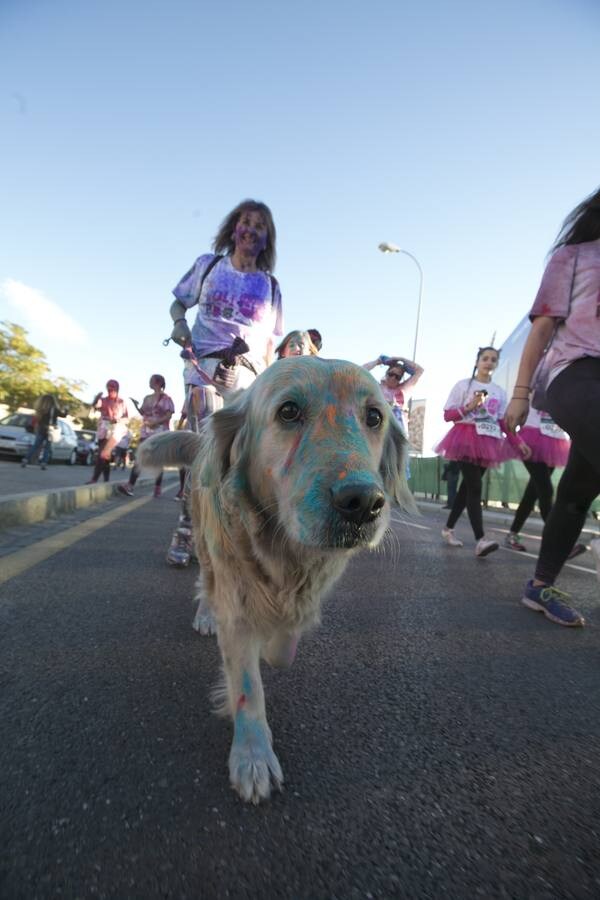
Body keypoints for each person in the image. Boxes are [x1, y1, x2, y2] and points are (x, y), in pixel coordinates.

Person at [166, 199, 283, 566]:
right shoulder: (208, 265)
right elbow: (178, 305)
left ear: (267, 239)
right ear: (233, 229)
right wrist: (179, 324)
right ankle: (187, 529)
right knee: (207, 452)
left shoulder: (271, 285)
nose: (251, 229)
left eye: (259, 226)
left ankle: (223, 532)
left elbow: (270, 344)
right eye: (245, 222)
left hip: (247, 379)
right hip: (203, 368)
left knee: (235, 462)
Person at [505, 186, 600, 626]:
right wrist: (520, 396)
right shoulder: (575, 256)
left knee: (577, 494)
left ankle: (540, 586)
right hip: (574, 373)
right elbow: (541, 332)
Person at [434, 346, 520, 556]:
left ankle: (448, 529)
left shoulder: (499, 391)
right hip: (465, 437)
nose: (488, 362)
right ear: (477, 362)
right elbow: (448, 415)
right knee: (475, 486)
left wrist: (518, 442)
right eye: (485, 358)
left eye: (493, 359)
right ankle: (480, 539)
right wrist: (471, 406)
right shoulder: (464, 385)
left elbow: (502, 421)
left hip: (488, 441)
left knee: (467, 490)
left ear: (496, 364)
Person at [503, 407, 585, 559]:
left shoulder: (567, 389)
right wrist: (516, 440)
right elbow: (512, 415)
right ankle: (561, 544)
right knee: (546, 491)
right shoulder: (535, 385)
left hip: (555, 441)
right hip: (532, 441)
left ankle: (512, 534)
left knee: (532, 493)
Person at [118, 375, 174, 498]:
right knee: (140, 456)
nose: (149, 382)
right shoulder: (147, 398)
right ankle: (130, 485)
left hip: (160, 432)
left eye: (151, 380)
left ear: (158, 383)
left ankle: (157, 487)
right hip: (146, 431)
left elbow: (169, 415)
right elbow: (143, 412)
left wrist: (156, 422)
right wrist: (137, 406)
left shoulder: (166, 398)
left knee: (158, 459)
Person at [362, 355, 424, 434]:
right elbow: (360, 371)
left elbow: (420, 370)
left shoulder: (403, 390)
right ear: (386, 373)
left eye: (398, 377)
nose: (393, 378)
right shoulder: (375, 387)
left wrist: (401, 359)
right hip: (375, 429)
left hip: (395, 433)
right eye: (391, 374)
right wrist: (378, 361)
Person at [86, 380, 130, 484]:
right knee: (105, 455)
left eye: (113, 388)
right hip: (103, 428)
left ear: (117, 389)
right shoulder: (103, 400)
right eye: (108, 388)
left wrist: (118, 420)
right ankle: (106, 480)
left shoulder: (121, 402)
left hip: (115, 430)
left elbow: (126, 418)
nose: (110, 390)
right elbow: (95, 406)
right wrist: (96, 399)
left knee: (103, 453)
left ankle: (94, 479)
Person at [21, 394, 65, 470]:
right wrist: (66, 409)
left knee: (36, 445)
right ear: (53, 401)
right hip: (50, 430)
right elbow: (63, 415)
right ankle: (44, 463)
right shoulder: (54, 409)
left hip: (41, 429)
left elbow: (38, 420)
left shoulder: (40, 409)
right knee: (47, 448)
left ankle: (26, 459)